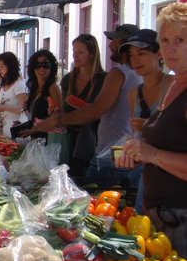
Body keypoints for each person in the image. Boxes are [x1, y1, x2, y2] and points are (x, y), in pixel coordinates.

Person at [116, 3, 187, 254]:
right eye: (165, 39)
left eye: (179, 39)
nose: (170, 48)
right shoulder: (177, 86)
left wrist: (152, 155)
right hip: (163, 215)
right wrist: (139, 148)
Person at [37, 24, 141, 186]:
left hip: (110, 154)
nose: (111, 45)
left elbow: (96, 110)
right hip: (123, 153)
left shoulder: (118, 73)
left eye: (115, 40)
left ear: (127, 46)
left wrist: (58, 119)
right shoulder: (138, 75)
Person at [118, 29, 174, 213]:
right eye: (132, 55)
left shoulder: (175, 86)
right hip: (145, 176)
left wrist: (150, 127)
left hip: (173, 176)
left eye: (141, 53)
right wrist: (128, 149)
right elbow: (136, 136)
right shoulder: (134, 93)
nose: (135, 60)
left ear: (159, 54)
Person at [59, 34, 107, 179]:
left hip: (94, 142)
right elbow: (63, 108)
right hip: (69, 140)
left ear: (92, 54)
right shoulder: (68, 79)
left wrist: (88, 110)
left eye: (80, 52)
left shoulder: (104, 79)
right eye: (73, 51)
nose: (75, 56)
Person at [19, 50, 62, 139]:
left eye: (46, 65)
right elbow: (37, 117)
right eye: (37, 65)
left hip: (48, 142)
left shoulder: (53, 88)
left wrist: (33, 130)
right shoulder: (35, 87)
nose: (41, 69)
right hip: (36, 141)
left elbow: (59, 117)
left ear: (52, 68)